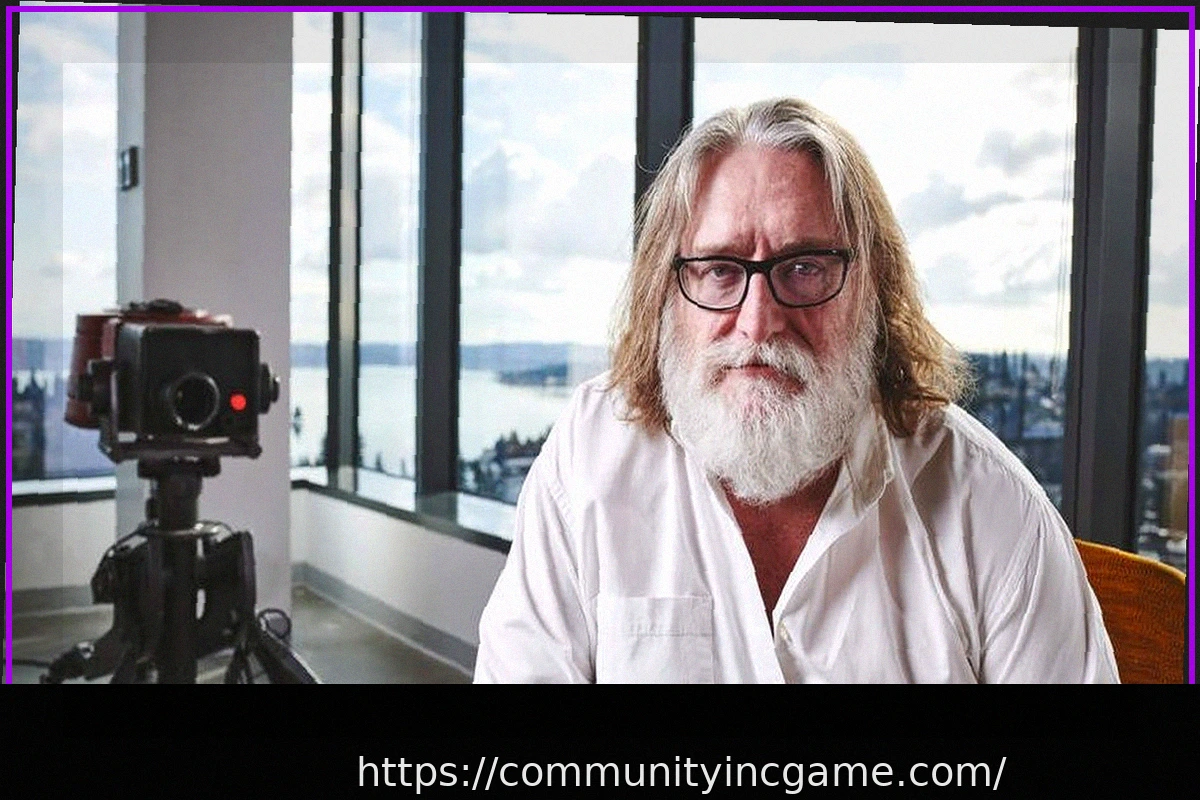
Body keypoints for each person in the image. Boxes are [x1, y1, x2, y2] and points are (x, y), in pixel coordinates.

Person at [474, 98, 1118, 683]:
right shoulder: (589, 458)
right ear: (665, 292)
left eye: (805, 267)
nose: (758, 322)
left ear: (874, 287)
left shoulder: (990, 506)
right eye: (720, 270)